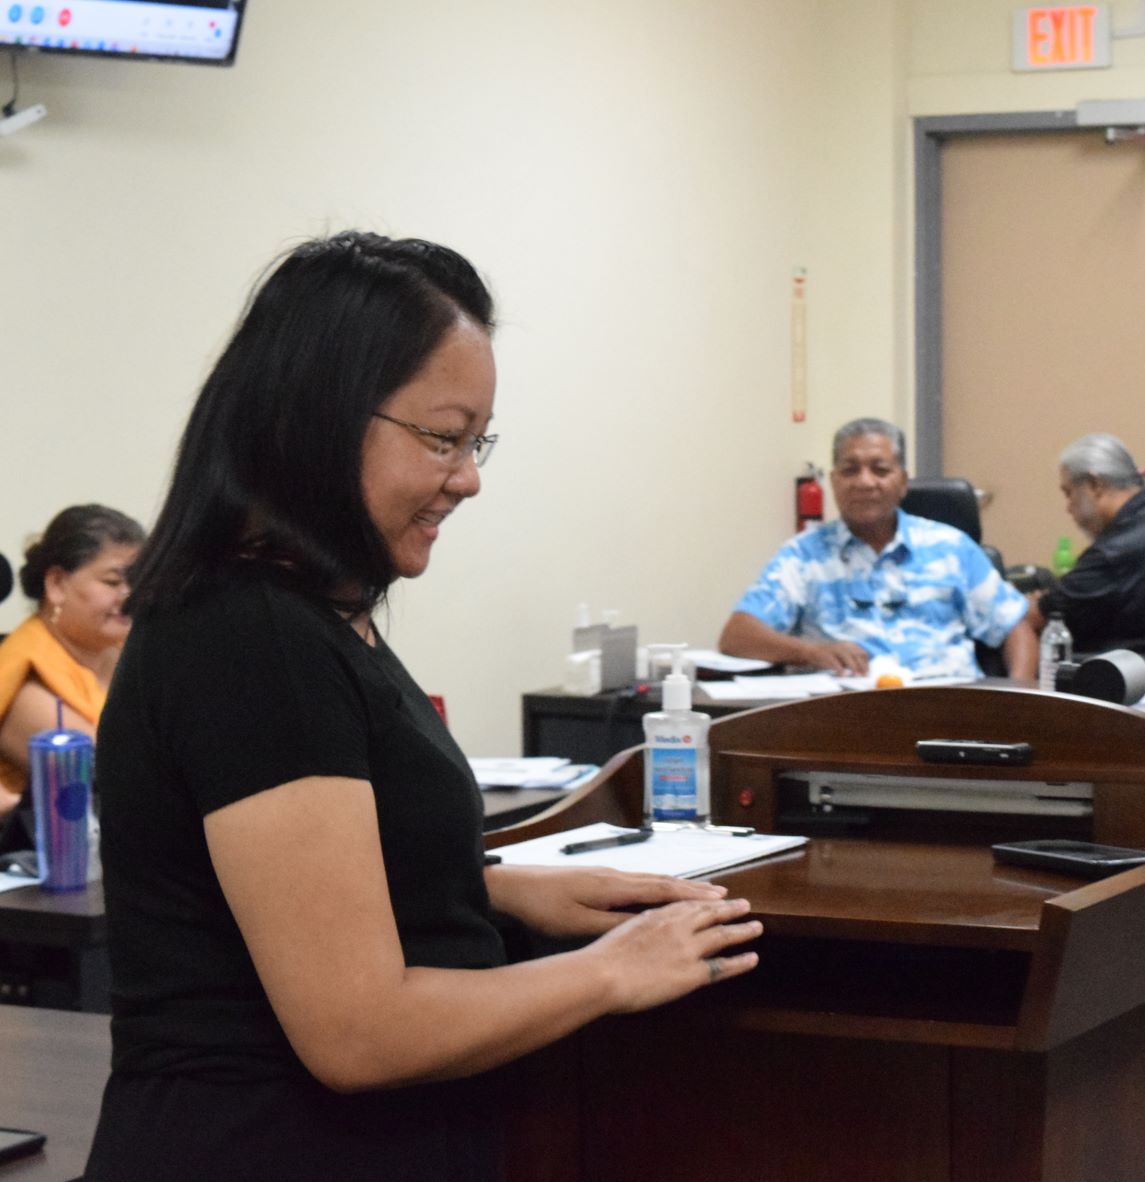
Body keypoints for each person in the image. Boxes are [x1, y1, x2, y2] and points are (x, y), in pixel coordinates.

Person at [84, 232, 761, 1182]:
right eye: (442, 438)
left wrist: (482, 884)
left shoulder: (308, 616)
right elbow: (358, 1032)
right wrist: (613, 969)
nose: (468, 476)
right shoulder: (253, 639)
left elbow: (283, 882)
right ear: (314, 420)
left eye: (476, 442)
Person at [718, 417, 1037, 680]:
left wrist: (1016, 702)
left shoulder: (950, 548)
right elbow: (737, 635)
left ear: (902, 482)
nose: (865, 482)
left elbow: (1015, 628)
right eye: (850, 470)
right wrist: (811, 652)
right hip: (844, 724)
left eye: (880, 470)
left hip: (948, 714)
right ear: (833, 481)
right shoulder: (804, 555)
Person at [0, 504, 144, 827]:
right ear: (56, 584)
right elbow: (119, 780)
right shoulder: (24, 672)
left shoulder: (125, 650)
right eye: (112, 582)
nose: (131, 595)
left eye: (139, 581)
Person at [1025, 434, 1145, 684]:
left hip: (1115, 684)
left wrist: (1032, 602)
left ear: (1095, 484)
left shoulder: (1114, 552)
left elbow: (1038, 617)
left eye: (1069, 493)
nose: (1068, 507)